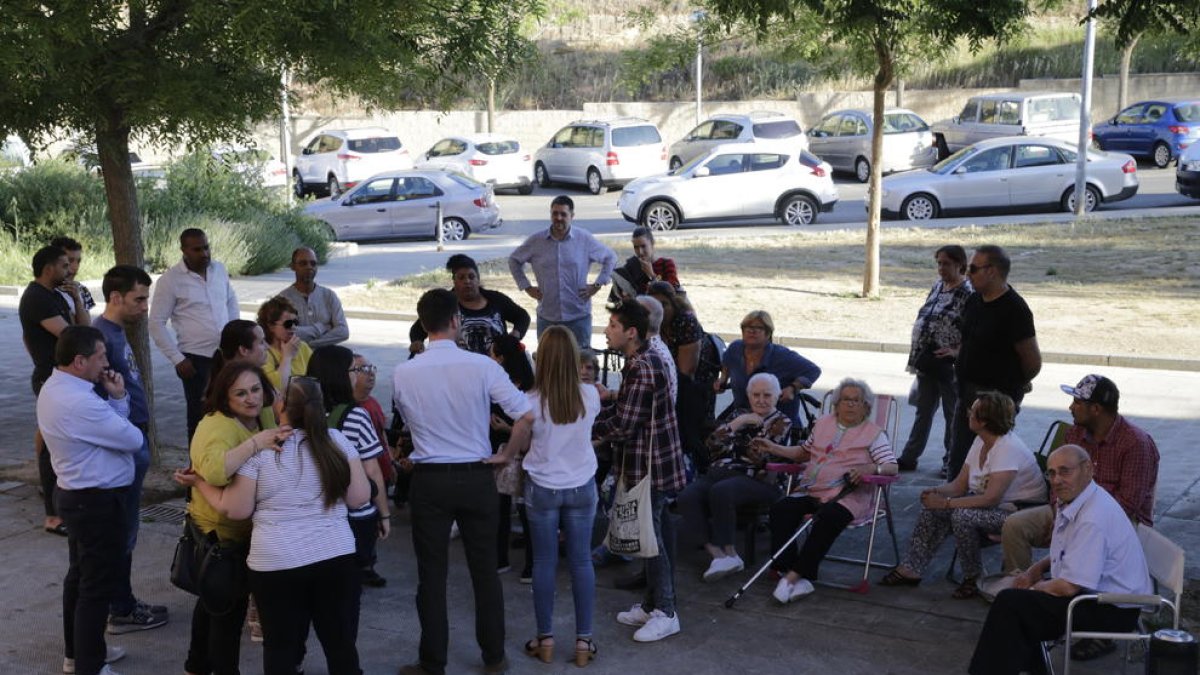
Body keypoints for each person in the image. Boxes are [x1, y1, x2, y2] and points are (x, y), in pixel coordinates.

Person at [174, 377, 369, 675]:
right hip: (335, 556)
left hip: (276, 563)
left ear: (281, 407)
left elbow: (236, 509)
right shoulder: (336, 441)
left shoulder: (265, 449)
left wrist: (199, 482)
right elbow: (358, 497)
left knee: (280, 646)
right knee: (339, 642)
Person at [391, 288, 533, 675]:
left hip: (430, 479)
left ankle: (432, 660)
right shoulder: (482, 367)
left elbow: (407, 418)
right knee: (484, 571)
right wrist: (507, 454)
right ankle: (494, 656)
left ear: (423, 325)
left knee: (431, 575)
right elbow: (526, 415)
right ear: (456, 321)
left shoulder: (404, 372)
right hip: (476, 475)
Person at [1000, 374, 1159, 662]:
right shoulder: (1074, 434)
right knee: (1015, 525)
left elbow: (1128, 504)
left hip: (1119, 520)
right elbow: (1055, 483)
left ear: (1096, 409)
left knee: (1089, 533)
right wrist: (1059, 514)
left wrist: (1072, 522)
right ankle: (1024, 592)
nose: (1071, 407)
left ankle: (1052, 604)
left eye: (1077, 402)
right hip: (1068, 508)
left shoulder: (1136, 443)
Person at [968, 445, 1151, 675]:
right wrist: (1035, 569)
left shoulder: (1092, 518)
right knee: (1016, 606)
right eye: (1052, 473)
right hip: (1094, 595)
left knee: (1012, 604)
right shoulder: (1082, 499)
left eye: (1065, 471)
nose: (1056, 480)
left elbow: (1068, 587)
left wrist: (1034, 587)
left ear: (1088, 469)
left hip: (1113, 609)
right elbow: (1069, 552)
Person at [38, 325, 144, 675]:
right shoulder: (80, 402)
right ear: (79, 361)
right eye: (100, 356)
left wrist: (116, 397)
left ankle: (79, 653)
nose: (106, 363)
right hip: (96, 503)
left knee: (80, 578)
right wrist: (119, 400)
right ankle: (90, 666)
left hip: (78, 497)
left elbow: (114, 430)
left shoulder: (57, 387)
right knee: (96, 588)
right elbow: (132, 439)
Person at [495, 326, 602, 667]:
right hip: (581, 485)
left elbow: (524, 443)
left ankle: (545, 639)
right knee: (581, 562)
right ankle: (584, 642)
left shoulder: (530, 402)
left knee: (543, 563)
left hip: (542, 487)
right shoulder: (590, 395)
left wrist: (505, 454)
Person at [881, 391, 1046, 598]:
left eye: (973, 411)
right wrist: (936, 492)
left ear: (984, 421)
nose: (968, 413)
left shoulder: (1007, 448)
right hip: (993, 508)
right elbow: (960, 485)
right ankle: (911, 568)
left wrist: (945, 503)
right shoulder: (980, 441)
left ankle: (973, 576)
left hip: (1020, 513)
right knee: (932, 510)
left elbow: (991, 498)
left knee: (962, 515)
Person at [183, 362, 291, 675]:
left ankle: (196, 665)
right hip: (220, 537)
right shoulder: (216, 426)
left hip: (242, 534)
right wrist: (256, 443)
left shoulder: (262, 414)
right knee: (227, 614)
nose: (251, 398)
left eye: (255, 389)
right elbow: (215, 471)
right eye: (240, 393)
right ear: (225, 397)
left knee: (212, 603)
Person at [594, 300, 687, 643]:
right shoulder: (640, 360)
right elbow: (626, 411)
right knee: (650, 537)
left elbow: (623, 424)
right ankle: (652, 605)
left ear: (631, 332)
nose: (607, 331)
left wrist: (585, 427)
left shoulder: (643, 367)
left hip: (652, 467)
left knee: (653, 542)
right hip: (649, 463)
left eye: (613, 326)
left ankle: (666, 612)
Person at [756, 378, 897, 603]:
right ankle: (791, 571)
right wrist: (774, 447)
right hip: (812, 490)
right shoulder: (822, 424)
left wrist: (871, 468)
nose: (850, 404)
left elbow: (891, 466)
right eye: (846, 399)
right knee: (781, 509)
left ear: (866, 407)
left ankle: (794, 576)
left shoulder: (874, 434)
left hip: (848, 496)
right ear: (836, 404)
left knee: (828, 516)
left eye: (857, 401)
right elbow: (803, 453)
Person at [93, 265, 169, 634]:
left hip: (133, 436)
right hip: (124, 442)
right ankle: (120, 608)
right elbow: (98, 401)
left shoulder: (115, 331)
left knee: (127, 526)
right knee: (123, 529)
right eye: (138, 299)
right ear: (115, 297)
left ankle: (121, 602)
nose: (144, 307)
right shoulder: (100, 338)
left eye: (146, 299)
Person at [677, 373, 792, 582]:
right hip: (721, 474)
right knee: (687, 496)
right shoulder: (739, 415)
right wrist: (739, 422)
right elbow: (711, 446)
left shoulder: (781, 422)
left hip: (760, 480)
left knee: (722, 490)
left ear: (777, 397)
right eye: (756, 395)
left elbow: (760, 457)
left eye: (767, 395)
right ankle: (717, 555)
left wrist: (730, 442)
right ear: (749, 396)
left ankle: (730, 553)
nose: (761, 400)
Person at [946, 245, 1041, 479]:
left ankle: (980, 499)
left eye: (973, 269)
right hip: (967, 394)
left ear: (992, 271)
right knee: (959, 459)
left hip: (995, 400)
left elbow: (1032, 361)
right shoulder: (974, 300)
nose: (967, 274)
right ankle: (954, 497)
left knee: (989, 463)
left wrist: (1012, 386)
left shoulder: (1014, 309)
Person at [308, 345, 391, 588]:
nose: (357, 375)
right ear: (341, 375)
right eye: (354, 370)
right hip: (352, 515)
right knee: (347, 587)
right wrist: (384, 513)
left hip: (312, 512)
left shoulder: (299, 413)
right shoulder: (356, 416)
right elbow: (371, 470)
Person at [149, 228, 241, 442]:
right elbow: (156, 323)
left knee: (231, 410)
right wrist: (177, 359)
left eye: (206, 247)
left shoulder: (219, 269)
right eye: (197, 249)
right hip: (196, 361)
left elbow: (230, 301)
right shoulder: (170, 280)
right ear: (184, 250)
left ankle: (226, 457)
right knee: (200, 416)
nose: (204, 254)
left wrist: (234, 334)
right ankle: (197, 461)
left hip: (226, 356)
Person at [897, 245, 973, 473]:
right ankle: (910, 456)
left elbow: (973, 329)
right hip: (927, 360)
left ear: (960, 265)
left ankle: (951, 461)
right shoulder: (939, 285)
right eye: (939, 263)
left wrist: (957, 350)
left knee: (953, 414)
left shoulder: (968, 292)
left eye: (946, 263)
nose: (941, 268)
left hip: (948, 365)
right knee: (923, 411)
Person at [507, 195, 617, 347]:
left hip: (578, 317)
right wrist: (526, 287)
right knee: (548, 360)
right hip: (548, 317)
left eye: (563, 214)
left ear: (572, 216)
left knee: (580, 360)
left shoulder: (584, 239)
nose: (558, 218)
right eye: (555, 213)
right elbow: (514, 260)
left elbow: (610, 258)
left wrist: (597, 285)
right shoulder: (536, 241)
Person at [19, 245, 72, 536]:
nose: (69, 269)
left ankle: (63, 507)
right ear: (49, 268)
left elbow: (78, 327)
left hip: (61, 379)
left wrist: (78, 299)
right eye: (65, 265)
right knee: (52, 448)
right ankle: (53, 516)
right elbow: (71, 335)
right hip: (50, 379)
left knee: (60, 446)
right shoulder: (36, 298)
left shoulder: (54, 295)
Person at [410, 254, 530, 356]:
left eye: (471, 277)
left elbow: (522, 316)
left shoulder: (496, 299)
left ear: (478, 279)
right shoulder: (444, 303)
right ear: (454, 281)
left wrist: (515, 336)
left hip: (497, 366)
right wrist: (417, 342)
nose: (467, 281)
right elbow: (419, 328)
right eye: (461, 278)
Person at [715, 310, 821, 425]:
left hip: (778, 422)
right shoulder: (735, 348)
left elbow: (813, 370)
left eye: (758, 328)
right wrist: (723, 379)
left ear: (768, 333)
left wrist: (793, 388)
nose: (752, 331)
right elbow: (727, 363)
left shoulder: (781, 355)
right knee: (716, 432)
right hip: (743, 415)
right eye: (747, 327)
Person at [486, 334, 535, 581]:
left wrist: (506, 430)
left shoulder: (501, 385)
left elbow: (526, 423)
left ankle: (504, 559)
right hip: (519, 452)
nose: (488, 358)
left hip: (511, 452)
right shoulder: (527, 383)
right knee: (520, 508)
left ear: (501, 358)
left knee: (509, 507)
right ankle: (525, 563)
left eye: (492, 353)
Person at [277, 246, 349, 348]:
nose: (309, 267)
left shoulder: (329, 296)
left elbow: (343, 331)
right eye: (303, 263)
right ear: (293, 266)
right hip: (296, 356)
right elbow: (285, 332)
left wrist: (311, 345)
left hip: (326, 355)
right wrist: (323, 327)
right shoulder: (282, 299)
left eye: (313, 263)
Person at [608, 227, 680, 302]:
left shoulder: (666, 264)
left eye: (643, 246)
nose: (640, 252)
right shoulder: (631, 267)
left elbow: (672, 292)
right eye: (636, 247)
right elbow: (615, 299)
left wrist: (652, 275)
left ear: (652, 243)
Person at [258, 296, 312, 392]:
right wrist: (287, 357)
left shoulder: (302, 347)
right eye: (288, 323)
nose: (294, 327)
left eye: (296, 322)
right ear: (271, 326)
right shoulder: (263, 353)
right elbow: (279, 387)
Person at [50, 236, 94, 326]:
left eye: (78, 261)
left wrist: (77, 299)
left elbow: (86, 327)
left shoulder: (81, 289)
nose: (75, 267)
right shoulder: (47, 292)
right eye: (70, 261)